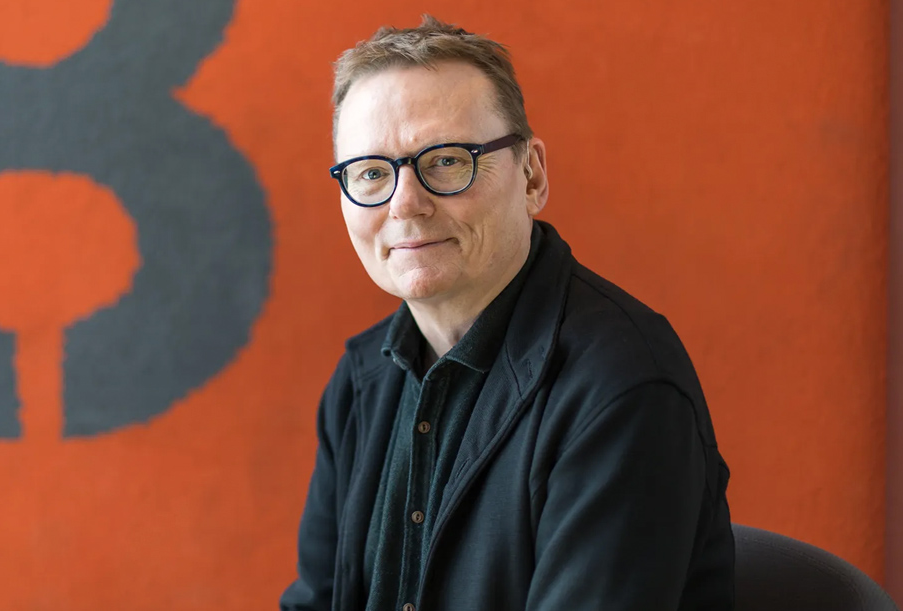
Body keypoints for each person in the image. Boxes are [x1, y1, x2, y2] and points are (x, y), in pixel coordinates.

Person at [280, 15, 734, 611]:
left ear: (532, 175)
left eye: (445, 160)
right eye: (370, 173)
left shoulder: (621, 389)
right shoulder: (360, 384)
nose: (405, 204)